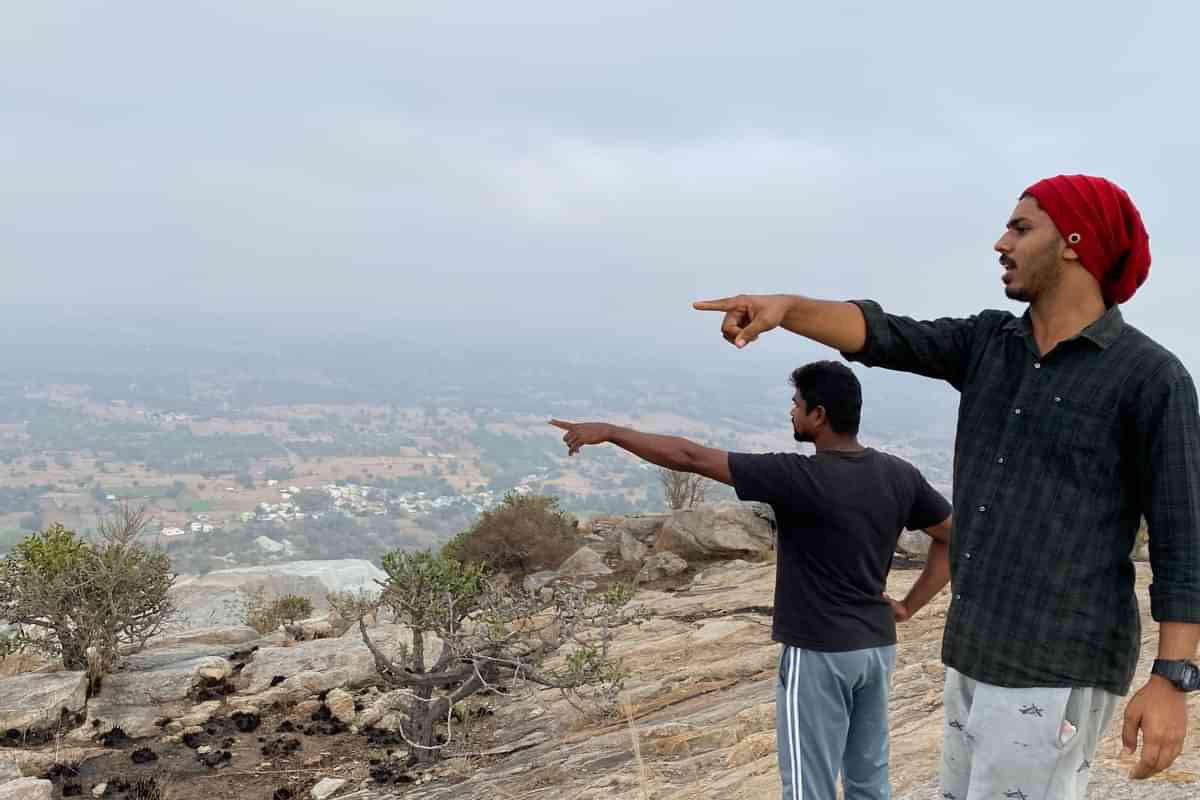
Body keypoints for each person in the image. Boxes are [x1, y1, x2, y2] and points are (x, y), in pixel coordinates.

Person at [693, 174, 1200, 799]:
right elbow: (884, 334)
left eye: (1020, 228)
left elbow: (1184, 540)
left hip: (1057, 657)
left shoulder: (1151, 378)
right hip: (974, 651)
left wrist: (1172, 679)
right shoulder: (991, 343)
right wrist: (786, 310)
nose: (1000, 242)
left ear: (1074, 241)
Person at [550, 360, 952, 800]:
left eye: (797, 403)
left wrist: (611, 431)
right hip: (876, 649)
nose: (791, 411)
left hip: (819, 651)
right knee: (869, 782)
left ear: (819, 415)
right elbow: (953, 537)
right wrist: (911, 606)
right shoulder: (899, 474)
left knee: (806, 788)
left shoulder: (798, 477)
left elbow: (690, 458)